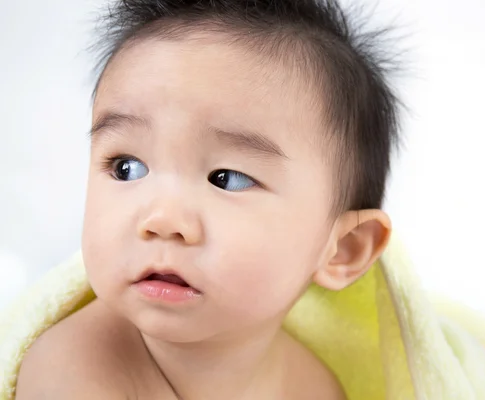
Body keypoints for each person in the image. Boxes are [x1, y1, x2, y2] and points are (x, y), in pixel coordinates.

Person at [16, 0, 401, 398]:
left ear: (342, 250)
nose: (162, 219)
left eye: (228, 179)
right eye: (127, 167)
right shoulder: (72, 370)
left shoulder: (314, 386)